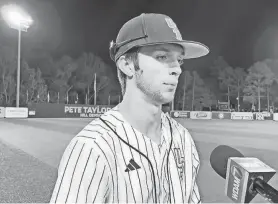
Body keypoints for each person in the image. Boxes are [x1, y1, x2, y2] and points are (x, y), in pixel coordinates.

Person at [50, 13, 209, 203]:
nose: (177, 68)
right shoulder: (92, 148)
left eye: (179, 59)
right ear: (127, 65)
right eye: (162, 56)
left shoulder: (183, 138)